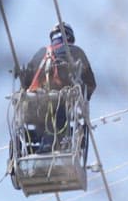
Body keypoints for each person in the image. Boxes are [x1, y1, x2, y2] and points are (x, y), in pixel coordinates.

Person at [18, 22, 96, 153]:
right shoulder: (75, 52)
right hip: (61, 103)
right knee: (58, 122)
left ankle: (40, 144)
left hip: (36, 104)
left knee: (43, 125)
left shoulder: (40, 53)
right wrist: (84, 98)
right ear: (70, 37)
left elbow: (25, 82)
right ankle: (49, 145)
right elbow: (90, 83)